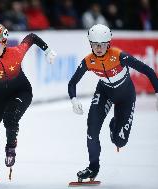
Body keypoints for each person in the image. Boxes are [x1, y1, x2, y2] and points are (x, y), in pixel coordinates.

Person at [68, 24, 158, 182]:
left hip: (126, 97)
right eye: (95, 44)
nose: (98, 48)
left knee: (119, 141)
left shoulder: (119, 56)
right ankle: (93, 167)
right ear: (90, 44)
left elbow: (147, 70)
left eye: (102, 44)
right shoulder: (89, 61)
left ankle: (113, 124)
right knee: (92, 129)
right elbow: (72, 83)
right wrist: (74, 99)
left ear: (108, 44)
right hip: (104, 93)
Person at [0, 23, 56, 178]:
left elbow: (31, 37)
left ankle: (11, 147)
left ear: (4, 42)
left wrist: (47, 50)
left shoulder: (16, 52)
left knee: (10, 117)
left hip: (21, 91)